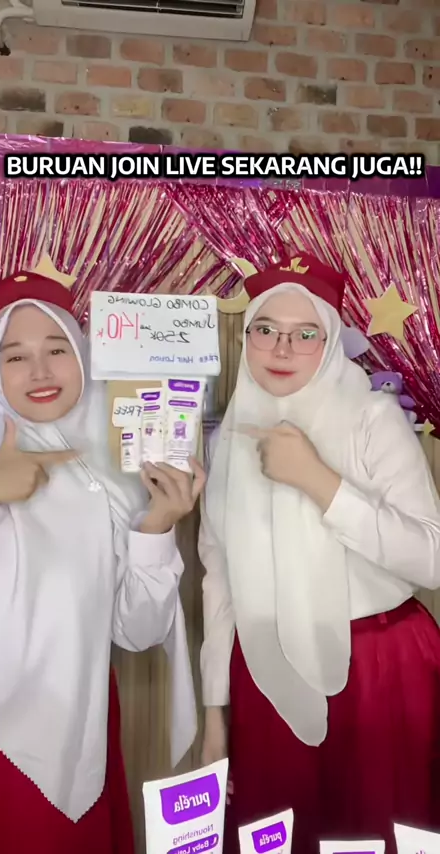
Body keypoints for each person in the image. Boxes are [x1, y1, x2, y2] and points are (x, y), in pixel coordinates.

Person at [199, 255, 440, 854]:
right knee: (280, 833)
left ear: (330, 343)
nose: (282, 348)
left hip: (380, 665)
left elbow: (432, 559)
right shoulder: (231, 435)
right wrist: (213, 719)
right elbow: (220, 582)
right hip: (267, 666)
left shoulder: (371, 418)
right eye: (265, 329)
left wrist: (319, 482)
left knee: (380, 831)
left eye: (305, 334)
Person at [0, 270, 202, 854]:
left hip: (80, 732)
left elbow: (137, 633)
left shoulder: (119, 466)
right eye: (16, 356)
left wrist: (157, 525)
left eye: (56, 349)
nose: (40, 372)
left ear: (83, 354)